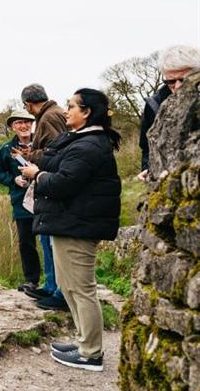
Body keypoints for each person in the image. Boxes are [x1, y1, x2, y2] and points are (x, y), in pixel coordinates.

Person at [19, 88, 122, 372]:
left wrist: (36, 175)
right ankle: (83, 342)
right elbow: (57, 161)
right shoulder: (82, 140)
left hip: (79, 224)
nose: (66, 111)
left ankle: (91, 353)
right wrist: (38, 162)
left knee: (82, 289)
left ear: (86, 112)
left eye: (71, 106)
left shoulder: (89, 145)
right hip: (70, 221)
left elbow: (64, 182)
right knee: (69, 286)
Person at [17, 84, 69, 311]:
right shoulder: (55, 112)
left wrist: (29, 155)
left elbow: (56, 153)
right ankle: (50, 285)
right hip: (53, 184)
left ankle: (57, 290)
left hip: (51, 184)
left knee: (49, 239)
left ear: (28, 104)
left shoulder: (48, 118)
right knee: (47, 238)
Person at [0, 109, 41, 293]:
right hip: (21, 202)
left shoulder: (42, 144)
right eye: (18, 122)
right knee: (26, 242)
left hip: (45, 198)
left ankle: (55, 281)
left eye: (27, 121)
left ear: (32, 124)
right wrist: (13, 180)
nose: (23, 125)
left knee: (50, 241)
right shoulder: (6, 149)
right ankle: (32, 280)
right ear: (13, 127)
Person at [137, 45, 200, 181]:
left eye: (184, 79)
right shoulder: (154, 105)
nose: (177, 86)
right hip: (169, 184)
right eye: (170, 81)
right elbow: (147, 148)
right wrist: (148, 169)